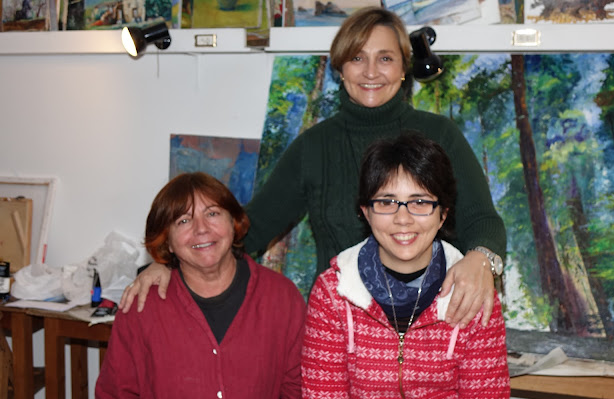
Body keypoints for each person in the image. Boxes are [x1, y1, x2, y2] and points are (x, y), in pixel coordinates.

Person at [121, 6, 506, 329]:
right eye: (357, 58)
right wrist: (166, 264)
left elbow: (483, 221)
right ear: (340, 68)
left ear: (404, 68)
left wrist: (481, 259)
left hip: (434, 329)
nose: (371, 71)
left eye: (385, 58)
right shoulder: (314, 147)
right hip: (341, 333)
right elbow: (248, 230)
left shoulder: (440, 135)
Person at [302, 132, 510, 399]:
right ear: (366, 212)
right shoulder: (333, 293)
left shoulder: (473, 292)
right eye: (387, 202)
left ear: (443, 213)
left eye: (420, 202)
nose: (403, 219)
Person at [91, 172, 306, 399]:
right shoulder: (141, 307)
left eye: (212, 213)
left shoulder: (282, 298)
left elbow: (300, 394)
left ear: (233, 223)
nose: (201, 229)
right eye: (183, 220)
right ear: (168, 242)